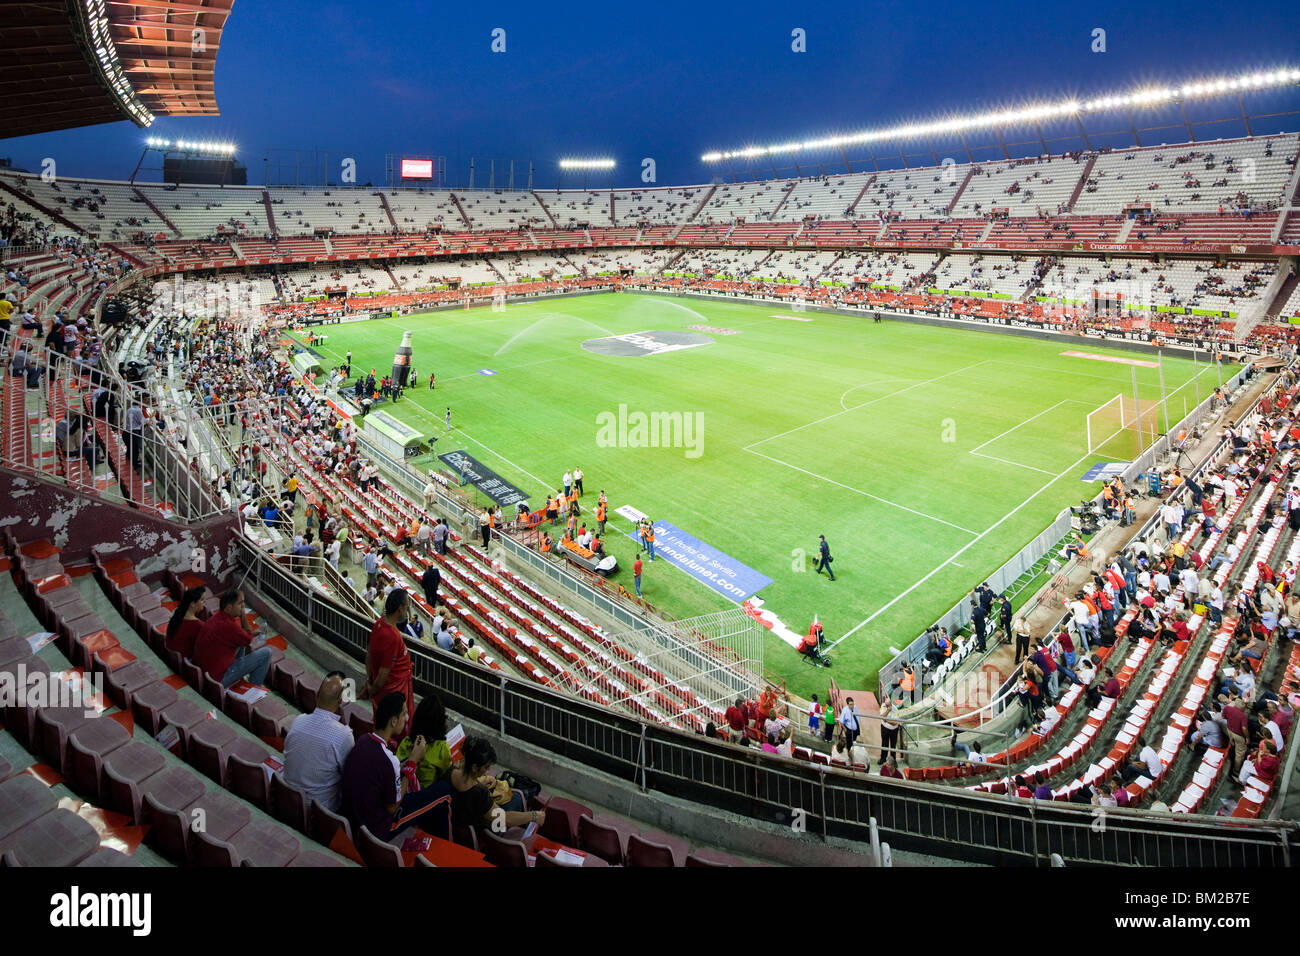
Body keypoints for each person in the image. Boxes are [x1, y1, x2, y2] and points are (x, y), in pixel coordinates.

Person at [340, 692, 453, 842]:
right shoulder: (388, 759)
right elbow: (393, 807)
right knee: (444, 791)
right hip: (379, 828)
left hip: (359, 817)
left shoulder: (363, 740)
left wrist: (402, 766)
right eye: (404, 714)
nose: (406, 719)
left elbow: (380, 773)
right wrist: (412, 762)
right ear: (393, 721)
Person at [283, 673, 355, 812]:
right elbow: (348, 777)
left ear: (316, 696)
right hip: (318, 811)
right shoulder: (344, 735)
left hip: (286, 798)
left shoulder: (299, 720)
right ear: (340, 701)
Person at [448, 737, 544, 832]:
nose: (488, 770)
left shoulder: (451, 772)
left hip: (460, 823)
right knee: (517, 798)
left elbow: (466, 781)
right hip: (484, 832)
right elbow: (505, 818)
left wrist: (480, 781)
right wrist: (534, 815)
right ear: (474, 767)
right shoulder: (479, 793)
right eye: (486, 767)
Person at [360, 589, 415, 738]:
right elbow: (383, 675)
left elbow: (369, 656)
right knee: (394, 729)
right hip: (394, 691)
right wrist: (371, 690)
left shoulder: (379, 623)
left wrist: (369, 680)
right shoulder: (392, 636)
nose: (408, 609)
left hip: (392, 687)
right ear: (400, 609)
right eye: (407, 605)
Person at [193, 589, 272, 688]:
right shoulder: (229, 626)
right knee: (266, 653)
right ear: (229, 608)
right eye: (240, 604)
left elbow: (243, 636)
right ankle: (253, 689)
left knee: (241, 643)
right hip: (218, 679)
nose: (243, 607)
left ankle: (239, 677)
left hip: (206, 672)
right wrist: (243, 615)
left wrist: (255, 632)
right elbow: (248, 639)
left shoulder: (215, 619)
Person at [394, 693, 453, 788]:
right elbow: (448, 775)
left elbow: (397, 767)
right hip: (425, 797)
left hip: (403, 790)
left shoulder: (407, 741)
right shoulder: (442, 748)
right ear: (441, 722)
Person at [164, 585, 207, 660]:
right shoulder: (198, 625)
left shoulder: (177, 615)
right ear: (192, 603)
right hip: (184, 662)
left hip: (171, 658)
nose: (204, 602)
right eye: (202, 600)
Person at [878, 694, 901, 764]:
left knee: (893, 746)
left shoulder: (895, 710)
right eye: (886, 705)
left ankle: (893, 761)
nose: (886, 706)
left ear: (890, 704)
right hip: (885, 728)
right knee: (884, 744)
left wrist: (887, 720)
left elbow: (895, 723)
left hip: (894, 730)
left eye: (888, 705)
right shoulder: (883, 706)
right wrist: (887, 710)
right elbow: (882, 716)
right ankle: (883, 758)